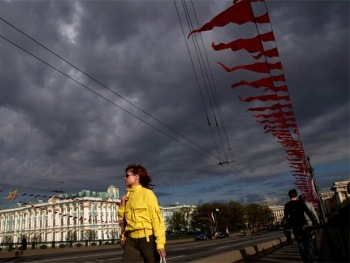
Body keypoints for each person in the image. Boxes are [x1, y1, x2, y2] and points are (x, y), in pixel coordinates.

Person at [118, 163, 166, 263]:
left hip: (147, 240)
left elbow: (157, 220)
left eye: (127, 175)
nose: (124, 178)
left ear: (136, 177)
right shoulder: (127, 196)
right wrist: (122, 205)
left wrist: (160, 244)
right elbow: (123, 221)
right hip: (131, 240)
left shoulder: (147, 194)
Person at [284, 189, 318, 263]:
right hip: (304, 225)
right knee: (308, 242)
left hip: (296, 228)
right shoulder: (301, 203)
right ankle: (310, 258)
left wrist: (291, 224)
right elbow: (308, 213)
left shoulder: (287, 205)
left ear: (289, 196)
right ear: (296, 195)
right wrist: (314, 222)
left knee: (301, 244)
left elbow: (286, 217)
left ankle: (305, 260)